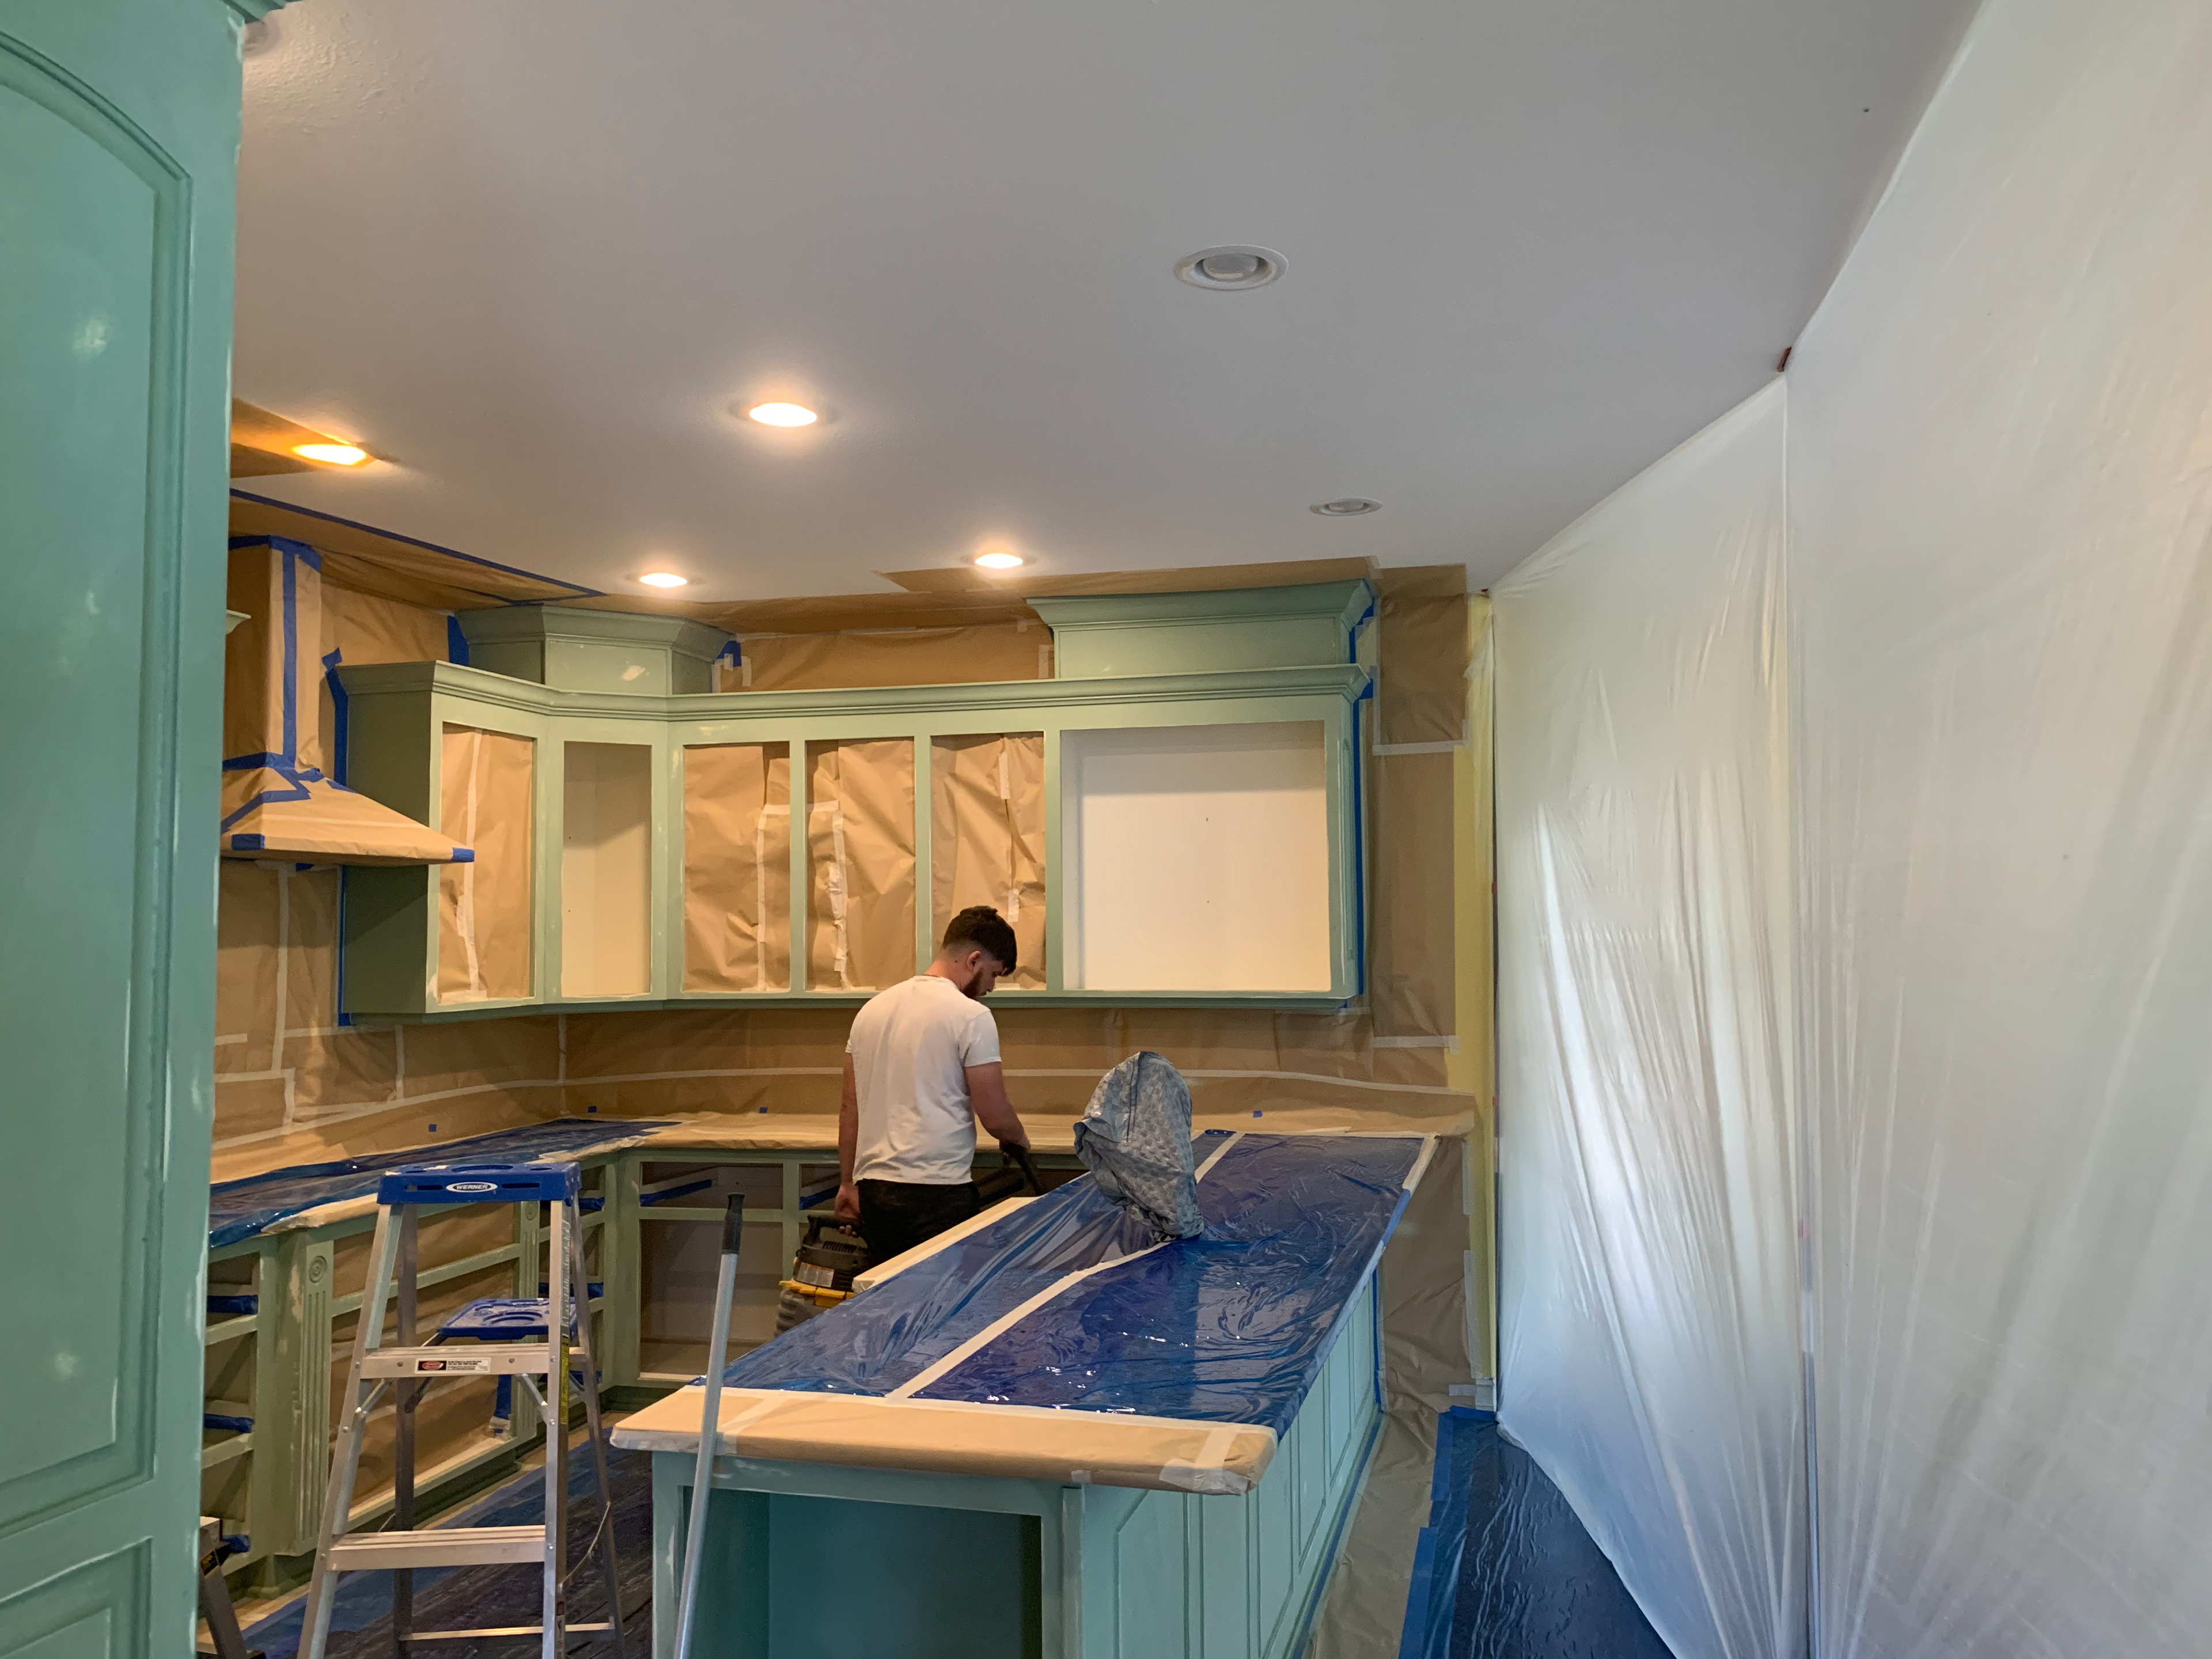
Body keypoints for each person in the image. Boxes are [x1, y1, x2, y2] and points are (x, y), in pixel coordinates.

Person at [834, 904, 1033, 1265]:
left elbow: (851, 1108)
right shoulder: (972, 1016)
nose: (991, 987)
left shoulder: (871, 1011)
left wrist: (847, 1183)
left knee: (888, 1292)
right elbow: (994, 1114)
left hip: (875, 1193)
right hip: (937, 1194)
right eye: (994, 974)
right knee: (940, 1297)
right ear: (974, 960)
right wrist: (1017, 1137)